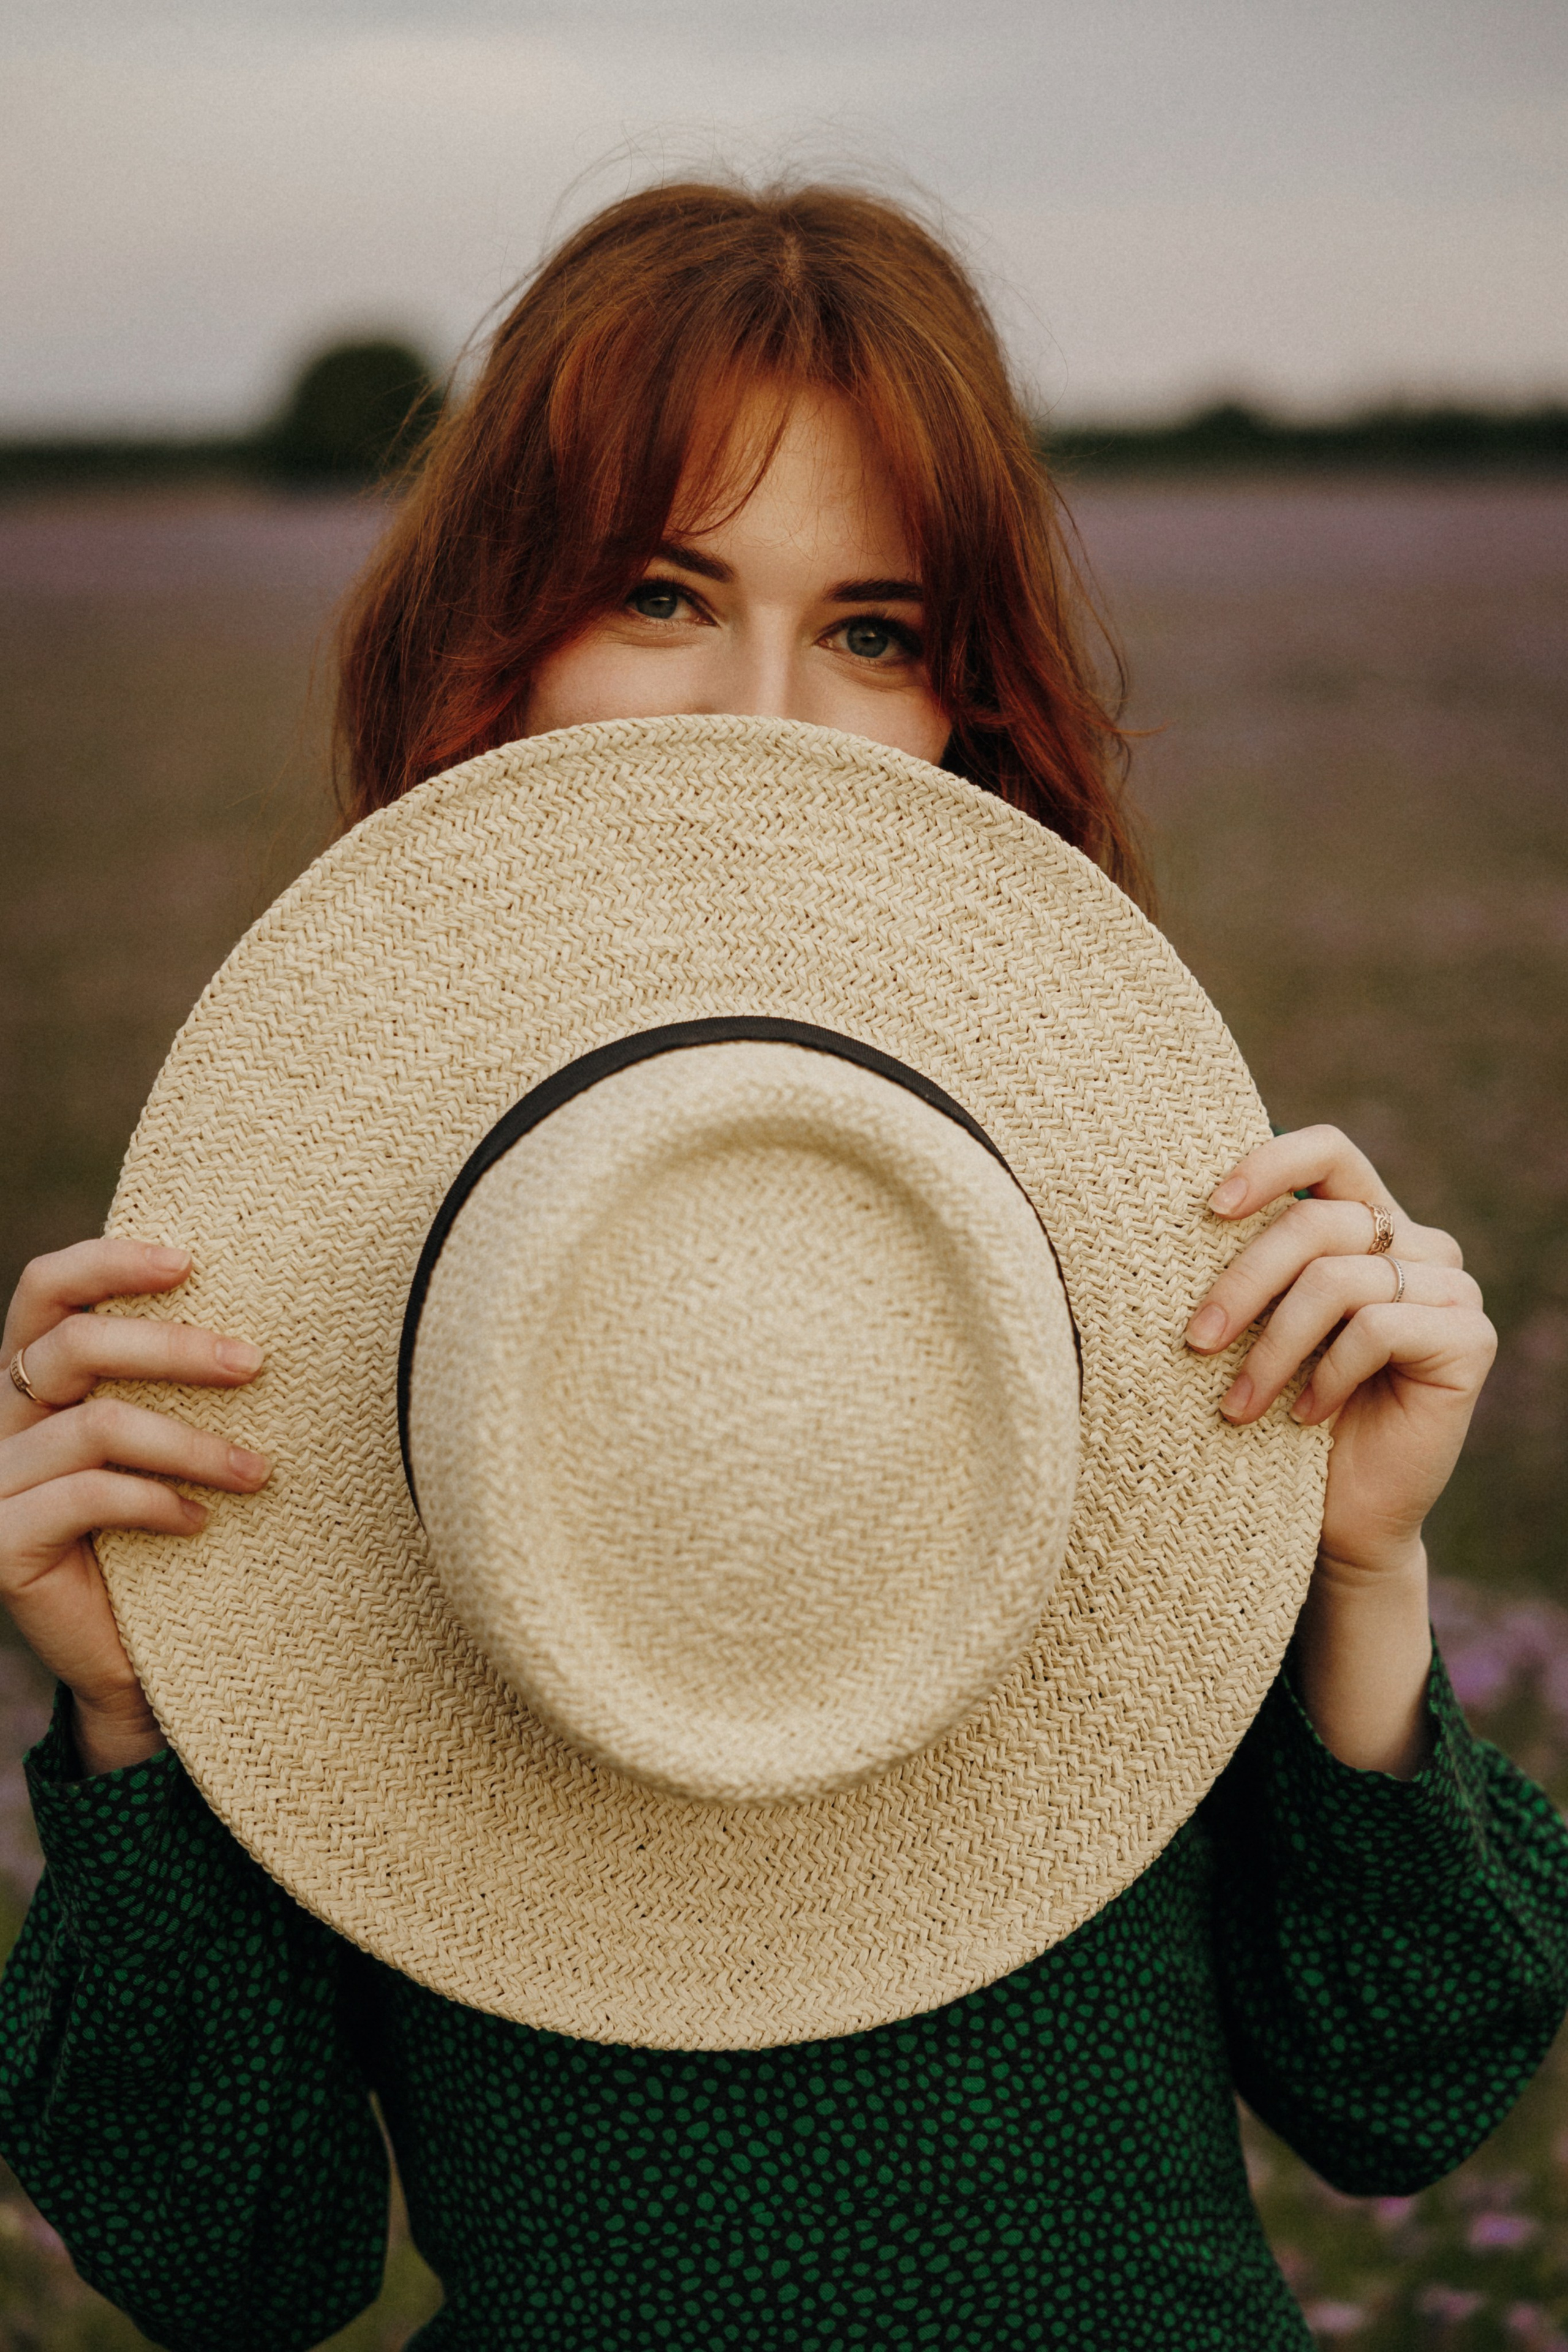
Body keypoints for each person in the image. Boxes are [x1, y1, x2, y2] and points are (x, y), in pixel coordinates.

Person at [0, 179, 1560, 2352]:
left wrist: (1359, 1572)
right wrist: (132, 1716)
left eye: (877, 630)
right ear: (494, 653)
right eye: (660, 592)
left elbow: (1408, 2093)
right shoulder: (291, 1337)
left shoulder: (1107, 1267)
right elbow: (238, 2273)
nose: (767, 717)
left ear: (969, 710)